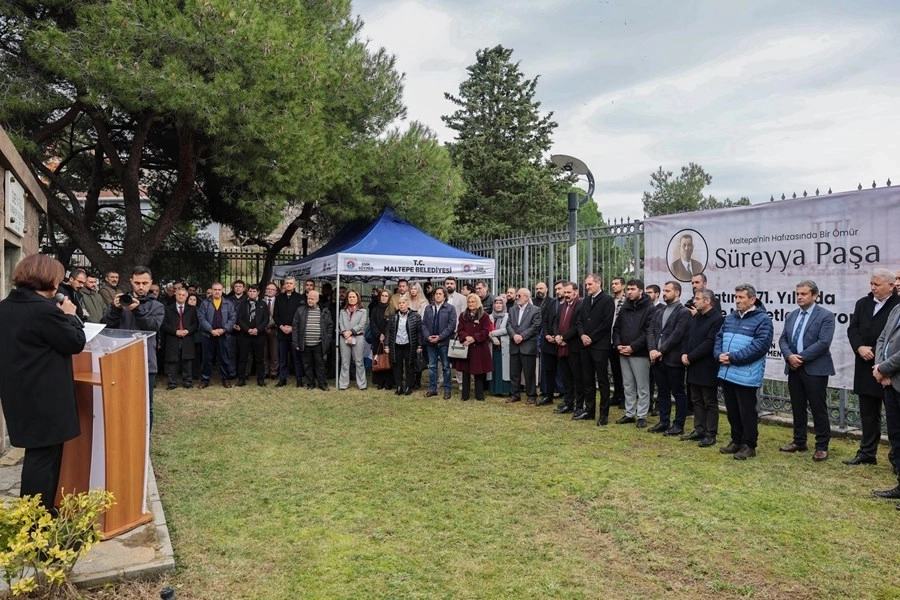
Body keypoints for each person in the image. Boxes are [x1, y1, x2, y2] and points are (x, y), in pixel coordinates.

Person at [0, 254, 86, 511]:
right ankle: (36, 518)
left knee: (38, 455)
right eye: (58, 279)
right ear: (49, 280)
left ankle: (39, 511)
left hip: (18, 392)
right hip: (45, 397)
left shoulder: (5, 307)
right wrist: (69, 315)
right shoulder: (44, 311)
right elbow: (75, 342)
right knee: (43, 460)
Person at [845, 268, 900, 465]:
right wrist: (859, 347)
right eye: (871, 284)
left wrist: (881, 363)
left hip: (890, 370)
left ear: (891, 286)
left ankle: (896, 458)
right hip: (865, 366)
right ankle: (867, 453)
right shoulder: (863, 303)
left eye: (877, 284)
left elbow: (890, 339)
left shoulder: (897, 305)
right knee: (868, 413)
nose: (873, 288)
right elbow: (853, 328)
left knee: (895, 418)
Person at [777, 280, 836, 461]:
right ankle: (799, 441)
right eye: (797, 294)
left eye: (803, 294)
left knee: (818, 408)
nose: (799, 297)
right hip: (794, 368)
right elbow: (783, 339)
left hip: (815, 369)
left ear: (815, 295)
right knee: (797, 406)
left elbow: (823, 342)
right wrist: (790, 356)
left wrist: (799, 358)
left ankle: (822, 446)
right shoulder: (791, 315)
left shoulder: (826, 316)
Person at [714, 283, 774, 461]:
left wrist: (732, 357)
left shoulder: (763, 320)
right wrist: (718, 354)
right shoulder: (731, 317)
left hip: (746, 374)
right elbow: (719, 337)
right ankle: (736, 440)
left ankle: (749, 445)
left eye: (741, 297)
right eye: (736, 297)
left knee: (747, 411)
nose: (737, 300)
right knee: (732, 410)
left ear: (752, 299)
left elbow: (760, 346)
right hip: (727, 372)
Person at [103, 265, 165, 427]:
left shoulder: (157, 306)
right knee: (120, 401)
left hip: (146, 361)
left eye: (145, 283)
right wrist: (116, 309)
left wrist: (136, 310)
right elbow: (106, 327)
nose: (141, 287)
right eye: (137, 283)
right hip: (121, 359)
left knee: (146, 404)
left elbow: (152, 327)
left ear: (151, 282)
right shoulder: (122, 301)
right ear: (131, 282)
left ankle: (144, 440)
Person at [681, 288, 725, 447]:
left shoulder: (717, 319)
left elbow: (710, 343)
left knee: (709, 401)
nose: (694, 301)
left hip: (707, 366)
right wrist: (684, 353)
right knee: (696, 399)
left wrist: (690, 356)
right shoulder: (696, 317)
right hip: (693, 365)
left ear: (707, 301)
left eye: (698, 299)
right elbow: (688, 337)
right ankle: (699, 429)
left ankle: (710, 433)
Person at [647, 281, 692, 436]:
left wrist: (661, 351)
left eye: (668, 291)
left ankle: (678, 424)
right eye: (664, 291)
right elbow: (651, 331)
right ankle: (663, 421)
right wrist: (652, 349)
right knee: (662, 392)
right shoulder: (659, 311)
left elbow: (677, 335)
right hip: (657, 360)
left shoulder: (683, 312)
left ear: (677, 293)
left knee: (678, 393)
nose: (664, 293)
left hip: (673, 360)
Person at [612, 279, 654, 428]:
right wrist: (618, 344)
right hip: (623, 352)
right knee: (628, 384)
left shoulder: (649, 308)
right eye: (628, 289)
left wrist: (633, 347)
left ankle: (642, 415)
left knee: (642, 386)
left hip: (639, 353)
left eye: (632, 289)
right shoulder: (625, 307)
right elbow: (616, 328)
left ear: (641, 291)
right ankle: (629, 413)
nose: (629, 292)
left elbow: (648, 332)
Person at [577, 274, 615, 424]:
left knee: (603, 381)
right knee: (587, 380)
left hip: (599, 346)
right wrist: (582, 335)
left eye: (590, 284)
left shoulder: (607, 300)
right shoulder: (586, 300)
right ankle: (589, 410)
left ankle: (603, 414)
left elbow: (606, 323)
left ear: (598, 283)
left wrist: (591, 337)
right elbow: (579, 321)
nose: (587, 287)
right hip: (585, 345)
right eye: (586, 284)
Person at [873, 301, 900, 507]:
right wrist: (880, 368)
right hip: (890, 382)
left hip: (893, 376)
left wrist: (883, 368)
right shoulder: (896, 309)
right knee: (896, 434)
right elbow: (882, 338)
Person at [197, 281, 237, 388]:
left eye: (219, 290)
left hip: (223, 335)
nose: (217, 292)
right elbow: (201, 318)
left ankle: (226, 379)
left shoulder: (229, 303)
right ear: (212, 290)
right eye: (215, 289)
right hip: (208, 335)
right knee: (207, 359)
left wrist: (224, 329)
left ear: (222, 290)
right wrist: (211, 330)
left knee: (224, 359)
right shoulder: (205, 303)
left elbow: (233, 318)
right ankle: (205, 380)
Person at [454, 293, 493, 401]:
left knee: (479, 371)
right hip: (466, 347)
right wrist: (466, 337)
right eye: (469, 302)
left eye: (473, 302)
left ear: (478, 302)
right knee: (465, 371)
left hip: (479, 347)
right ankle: (465, 395)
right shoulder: (463, 315)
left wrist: (474, 338)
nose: (471, 304)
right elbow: (460, 329)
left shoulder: (484, 315)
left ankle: (479, 395)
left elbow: (486, 330)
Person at [554, 282, 585, 416]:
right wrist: (557, 336)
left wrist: (563, 338)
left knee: (577, 379)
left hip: (574, 347)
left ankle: (579, 405)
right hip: (561, 347)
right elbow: (555, 323)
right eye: (565, 292)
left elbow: (578, 325)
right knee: (566, 377)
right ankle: (568, 403)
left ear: (575, 292)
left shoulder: (581, 305)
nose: (566, 295)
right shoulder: (562, 306)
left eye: (568, 292)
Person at [292, 289, 333, 391]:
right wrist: (296, 342)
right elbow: (295, 326)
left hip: (319, 343)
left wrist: (327, 339)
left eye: (312, 299)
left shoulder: (324, 311)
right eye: (308, 298)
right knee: (307, 365)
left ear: (317, 300)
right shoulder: (300, 310)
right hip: (305, 343)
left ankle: (322, 384)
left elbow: (330, 326)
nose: (310, 300)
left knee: (320, 365)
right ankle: (310, 383)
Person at [507, 288, 543, 405]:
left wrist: (522, 336)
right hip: (514, 345)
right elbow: (508, 324)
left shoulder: (535, 310)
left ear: (527, 297)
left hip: (527, 346)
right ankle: (515, 394)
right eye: (517, 295)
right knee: (514, 373)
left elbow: (535, 326)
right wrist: (514, 335)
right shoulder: (512, 310)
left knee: (529, 373)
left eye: (519, 296)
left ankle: (531, 395)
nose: (517, 298)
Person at [161, 287, 199, 389]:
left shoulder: (192, 309)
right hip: (173, 337)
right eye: (179, 294)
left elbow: (195, 323)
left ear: (186, 297)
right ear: (175, 296)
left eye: (183, 295)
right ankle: (172, 382)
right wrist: (175, 331)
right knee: (173, 360)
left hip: (187, 337)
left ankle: (188, 381)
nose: (181, 296)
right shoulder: (168, 309)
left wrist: (188, 330)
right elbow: (164, 324)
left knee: (187, 360)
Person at [422, 287, 456, 399]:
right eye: (436, 293)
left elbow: (451, 326)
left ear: (444, 296)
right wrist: (428, 336)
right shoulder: (428, 308)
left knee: (446, 366)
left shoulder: (450, 308)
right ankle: (433, 389)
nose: (437, 295)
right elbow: (424, 324)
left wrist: (440, 337)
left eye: (440, 294)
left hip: (444, 342)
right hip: (430, 342)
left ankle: (447, 390)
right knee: (432, 366)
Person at [386, 297, 423, 395]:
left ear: (407, 304)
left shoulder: (415, 316)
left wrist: (419, 345)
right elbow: (388, 332)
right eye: (400, 303)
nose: (401, 305)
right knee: (397, 366)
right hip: (396, 345)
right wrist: (386, 345)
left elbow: (419, 332)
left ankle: (409, 387)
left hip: (409, 345)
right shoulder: (393, 316)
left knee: (409, 366)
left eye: (403, 303)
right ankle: (399, 386)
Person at [235, 284, 269, 387]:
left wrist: (257, 329)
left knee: (259, 358)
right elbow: (239, 318)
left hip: (259, 335)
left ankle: (260, 380)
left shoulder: (263, 304)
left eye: (254, 291)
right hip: (245, 335)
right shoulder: (242, 303)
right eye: (250, 291)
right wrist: (247, 329)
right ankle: (241, 379)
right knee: (243, 358)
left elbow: (266, 319)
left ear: (258, 292)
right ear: (247, 292)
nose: (252, 293)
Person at [273, 277, 305, 387]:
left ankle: (299, 380)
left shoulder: (300, 298)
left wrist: (292, 328)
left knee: (296, 358)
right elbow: (275, 315)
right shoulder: (279, 298)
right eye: (287, 283)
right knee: (282, 358)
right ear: (284, 284)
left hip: (294, 333)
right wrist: (281, 326)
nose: (289, 285)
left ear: (294, 285)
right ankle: (282, 379)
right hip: (282, 333)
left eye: (291, 283)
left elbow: (301, 315)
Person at [539, 281, 565, 407]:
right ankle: (548, 395)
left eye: (559, 288)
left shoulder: (569, 304)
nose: (557, 291)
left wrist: (559, 337)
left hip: (563, 343)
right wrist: (546, 335)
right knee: (549, 370)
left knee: (565, 371)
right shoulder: (551, 303)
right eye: (556, 289)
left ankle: (567, 396)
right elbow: (544, 321)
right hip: (549, 343)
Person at [338, 290, 368, 390]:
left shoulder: (363, 311)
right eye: (350, 297)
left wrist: (351, 332)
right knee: (345, 362)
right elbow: (340, 323)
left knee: (359, 362)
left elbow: (362, 324)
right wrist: (345, 333)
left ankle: (362, 384)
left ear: (357, 298)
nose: (351, 299)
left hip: (358, 337)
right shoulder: (342, 311)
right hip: (344, 338)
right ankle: (343, 384)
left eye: (354, 297)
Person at [370, 289, 395, 390]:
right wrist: (378, 334)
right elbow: (372, 323)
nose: (384, 297)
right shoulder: (374, 309)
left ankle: (389, 382)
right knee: (378, 358)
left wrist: (385, 334)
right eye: (382, 295)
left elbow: (392, 324)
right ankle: (379, 381)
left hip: (389, 339)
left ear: (389, 298)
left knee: (388, 360)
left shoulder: (392, 310)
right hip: (377, 339)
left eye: (386, 296)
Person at [488, 297, 511, 398]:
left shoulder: (507, 316)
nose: (498, 305)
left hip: (504, 345)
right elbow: (487, 330)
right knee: (494, 368)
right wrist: (493, 339)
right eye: (496, 303)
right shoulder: (490, 317)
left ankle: (505, 389)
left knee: (504, 369)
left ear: (503, 305)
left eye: (500, 303)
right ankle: (495, 389)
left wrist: (492, 333)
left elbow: (506, 329)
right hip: (493, 345)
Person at [262, 282, 280, 380]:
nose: (270, 290)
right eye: (268, 288)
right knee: (264, 352)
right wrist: (264, 326)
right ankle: (265, 371)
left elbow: (278, 316)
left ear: (276, 291)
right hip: (262, 329)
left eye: (272, 289)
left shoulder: (279, 302)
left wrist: (269, 325)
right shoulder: (261, 301)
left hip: (274, 329)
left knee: (274, 352)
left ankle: (273, 372)